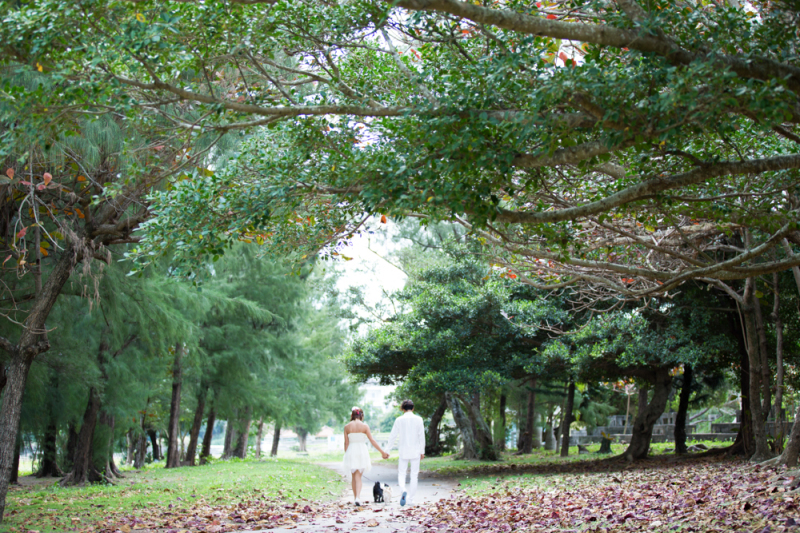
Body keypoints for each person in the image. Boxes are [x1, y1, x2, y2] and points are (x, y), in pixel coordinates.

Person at [343, 407, 389, 506]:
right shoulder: (365, 426)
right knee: (358, 476)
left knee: (353, 476)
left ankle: (356, 497)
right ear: (361, 416)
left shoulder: (347, 427)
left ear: (352, 415)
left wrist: (346, 455)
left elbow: (346, 443)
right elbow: (372, 440)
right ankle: (358, 498)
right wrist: (382, 452)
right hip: (361, 451)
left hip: (351, 451)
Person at [386, 399, 425, 507]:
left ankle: (403, 490)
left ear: (402, 409)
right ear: (413, 408)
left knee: (402, 473)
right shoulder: (419, 419)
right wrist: (422, 451)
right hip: (415, 451)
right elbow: (422, 437)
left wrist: (387, 450)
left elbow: (392, 436)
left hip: (403, 450)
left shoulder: (399, 420)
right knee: (414, 475)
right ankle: (411, 499)